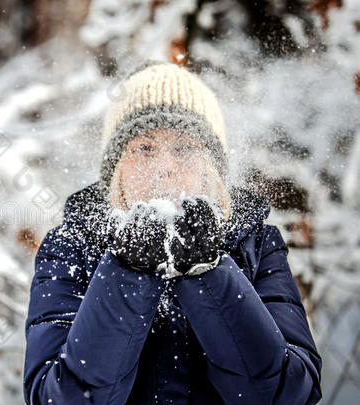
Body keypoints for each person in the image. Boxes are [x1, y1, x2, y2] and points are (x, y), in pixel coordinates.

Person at [22, 61, 322, 404]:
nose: (164, 169)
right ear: (116, 168)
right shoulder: (71, 245)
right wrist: (127, 271)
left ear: (212, 167)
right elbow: (55, 397)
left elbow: (291, 394)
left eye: (184, 148)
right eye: (144, 148)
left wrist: (208, 271)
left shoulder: (256, 243)